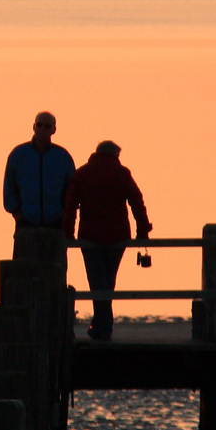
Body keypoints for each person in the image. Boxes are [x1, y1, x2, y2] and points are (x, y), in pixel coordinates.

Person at [65, 140, 152, 341]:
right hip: (117, 236)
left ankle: (102, 326)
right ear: (115, 155)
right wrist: (142, 232)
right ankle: (103, 326)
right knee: (108, 281)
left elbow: (70, 206)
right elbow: (137, 202)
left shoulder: (82, 174)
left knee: (97, 282)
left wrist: (68, 234)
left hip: (90, 236)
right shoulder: (122, 173)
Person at [3, 111, 76, 230]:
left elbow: (72, 189)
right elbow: (9, 187)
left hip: (55, 225)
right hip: (25, 225)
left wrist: (64, 214)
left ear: (54, 130)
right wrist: (17, 214)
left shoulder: (62, 157)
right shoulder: (19, 155)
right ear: (34, 127)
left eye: (47, 126)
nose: (43, 129)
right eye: (40, 124)